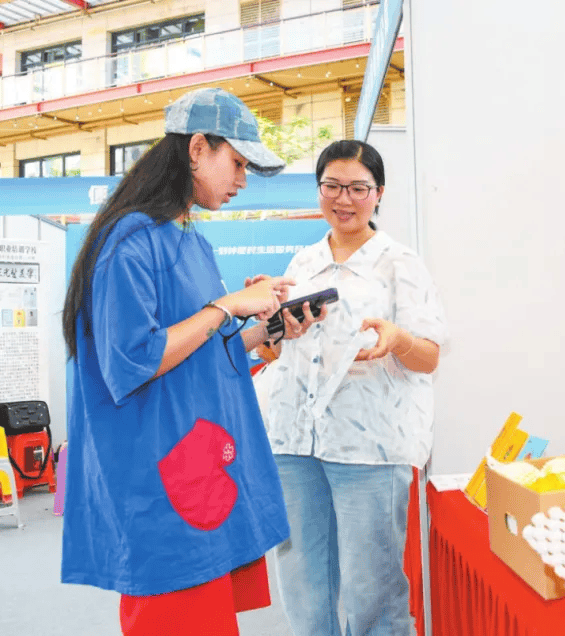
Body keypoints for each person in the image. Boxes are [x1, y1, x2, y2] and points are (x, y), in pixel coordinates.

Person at [60, 86, 324, 636]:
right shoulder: (130, 241)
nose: (243, 180)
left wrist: (263, 328)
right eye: (238, 163)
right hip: (161, 481)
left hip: (200, 472)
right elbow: (134, 360)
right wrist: (225, 306)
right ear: (198, 148)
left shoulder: (189, 241)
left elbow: (200, 348)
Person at [253, 139, 448, 636]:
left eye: (358, 188)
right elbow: (278, 351)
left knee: (371, 589)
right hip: (295, 441)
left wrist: (398, 339)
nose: (344, 200)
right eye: (332, 186)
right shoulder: (302, 264)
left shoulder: (400, 263)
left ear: (378, 193)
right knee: (303, 584)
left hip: (369, 447)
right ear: (318, 189)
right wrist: (271, 332)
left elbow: (429, 356)